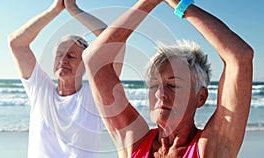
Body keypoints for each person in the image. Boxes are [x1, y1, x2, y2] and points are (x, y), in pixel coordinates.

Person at [83, 0, 254, 157]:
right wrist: (148, 2)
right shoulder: (135, 143)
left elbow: (239, 57)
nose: (160, 94)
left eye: (173, 85)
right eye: (153, 85)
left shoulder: (210, 148)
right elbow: (94, 59)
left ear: (201, 97)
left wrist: (180, 4)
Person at [7, 0, 119, 157]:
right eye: (59, 55)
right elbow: (16, 43)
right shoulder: (41, 92)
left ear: (85, 64)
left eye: (71, 56)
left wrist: (74, 10)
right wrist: (54, 9)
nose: (63, 60)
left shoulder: (94, 96)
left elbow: (112, 40)